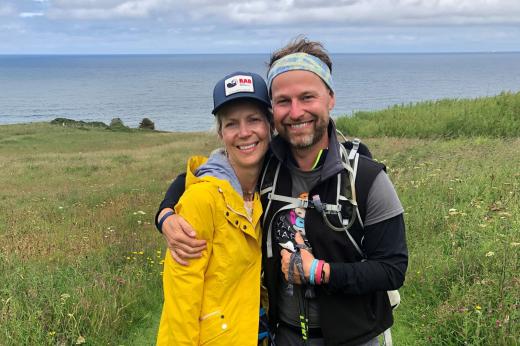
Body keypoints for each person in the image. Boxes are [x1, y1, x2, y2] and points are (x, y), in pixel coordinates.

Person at [157, 37, 408, 346]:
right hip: (284, 335)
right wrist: (166, 212)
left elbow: (393, 270)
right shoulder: (269, 167)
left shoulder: (367, 179)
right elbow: (202, 176)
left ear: (330, 98)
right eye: (284, 101)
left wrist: (321, 272)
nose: (296, 111)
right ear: (273, 112)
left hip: (357, 337)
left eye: (307, 97)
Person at [156, 71, 272, 345]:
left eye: (253, 119)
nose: (244, 132)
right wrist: (165, 214)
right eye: (232, 124)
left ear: (270, 125)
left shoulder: (272, 183)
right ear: (220, 133)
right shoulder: (202, 199)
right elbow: (181, 302)